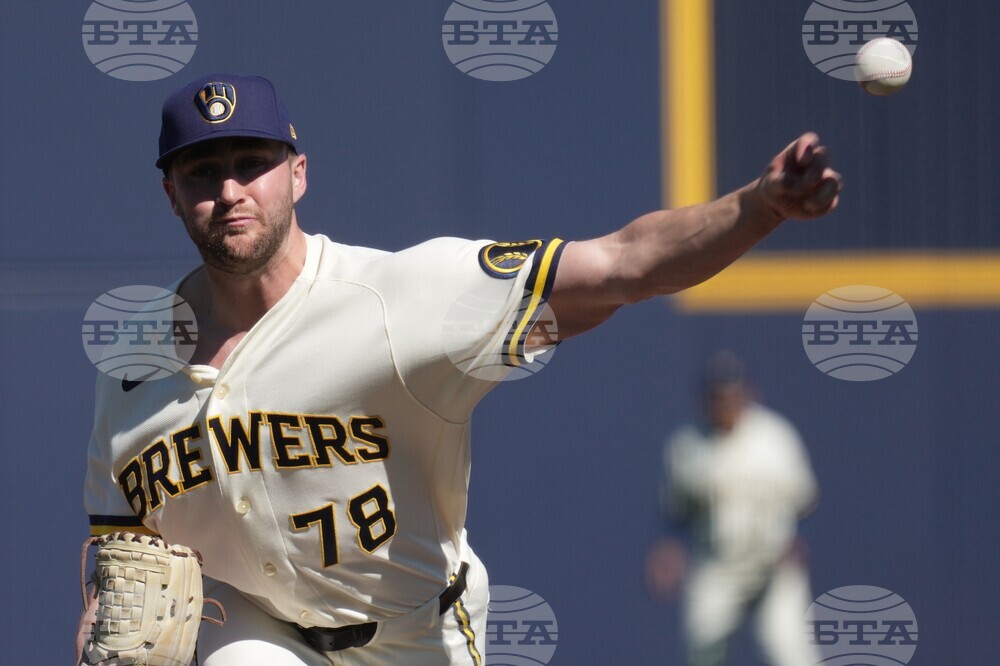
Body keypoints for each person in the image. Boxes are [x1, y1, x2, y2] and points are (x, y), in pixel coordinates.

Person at [77, 73, 841, 665]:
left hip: (414, 634)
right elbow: (122, 558)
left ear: (298, 174)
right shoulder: (135, 362)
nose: (229, 190)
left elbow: (622, 265)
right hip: (258, 631)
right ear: (171, 194)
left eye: (252, 163)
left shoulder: (397, 301)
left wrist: (759, 206)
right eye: (202, 171)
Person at [646, 351, 821, 666]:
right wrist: (670, 549)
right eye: (718, 396)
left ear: (747, 394)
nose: (725, 403)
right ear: (705, 400)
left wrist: (798, 540)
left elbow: (805, 500)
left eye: (730, 394)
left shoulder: (774, 438)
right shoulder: (687, 446)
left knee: (787, 649)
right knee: (703, 654)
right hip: (717, 566)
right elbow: (676, 512)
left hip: (773, 562)